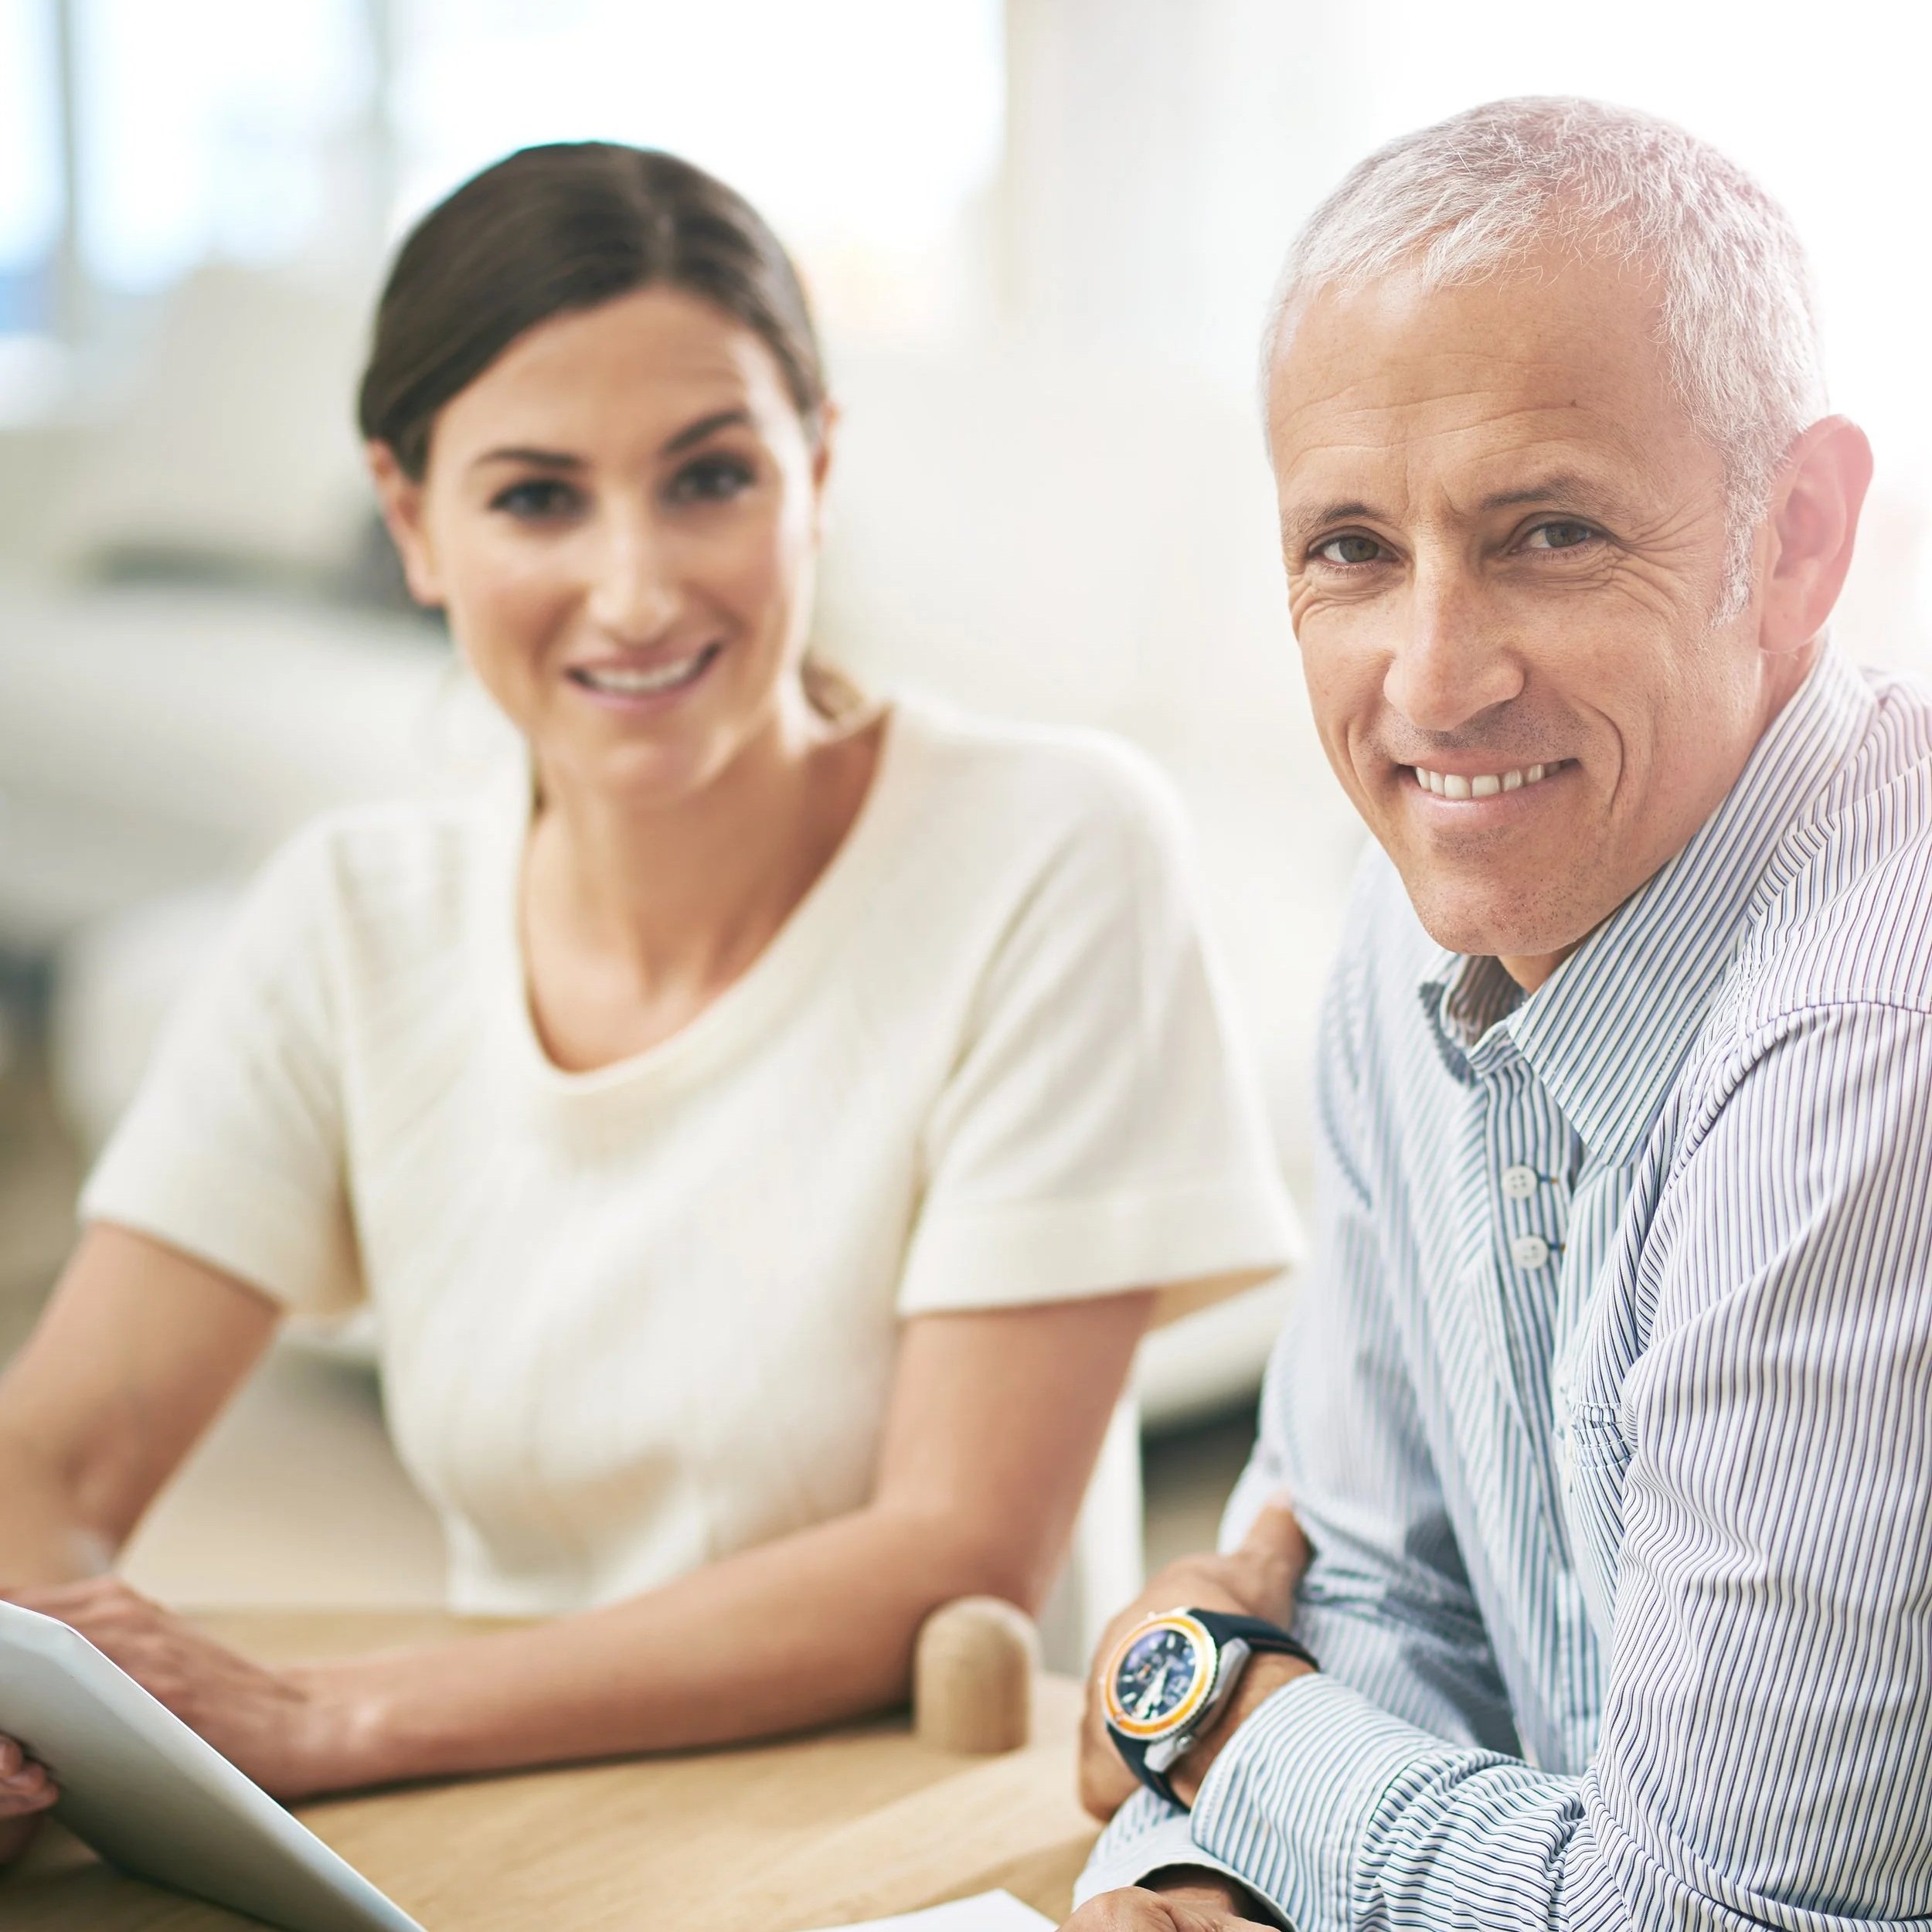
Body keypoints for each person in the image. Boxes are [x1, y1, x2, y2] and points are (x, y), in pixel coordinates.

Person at [0, 143, 1298, 1851]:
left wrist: (324, 1710)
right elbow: (57, 1456)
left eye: (709, 479)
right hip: (490, 1815)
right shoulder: (350, 916)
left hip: (923, 1835)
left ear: (817, 473)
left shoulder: (1051, 848)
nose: (635, 585)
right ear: (411, 522)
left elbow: (953, 1549)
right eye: (537, 497)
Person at [1068, 97, 1931, 1931]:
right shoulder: (1417, 936)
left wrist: (1212, 1725)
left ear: (1791, 540)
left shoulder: (1876, 1051)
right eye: (1350, 550)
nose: (1431, 683)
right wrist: (1214, 1860)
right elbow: (1368, 1581)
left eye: (1544, 532)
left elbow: (1706, 1920)